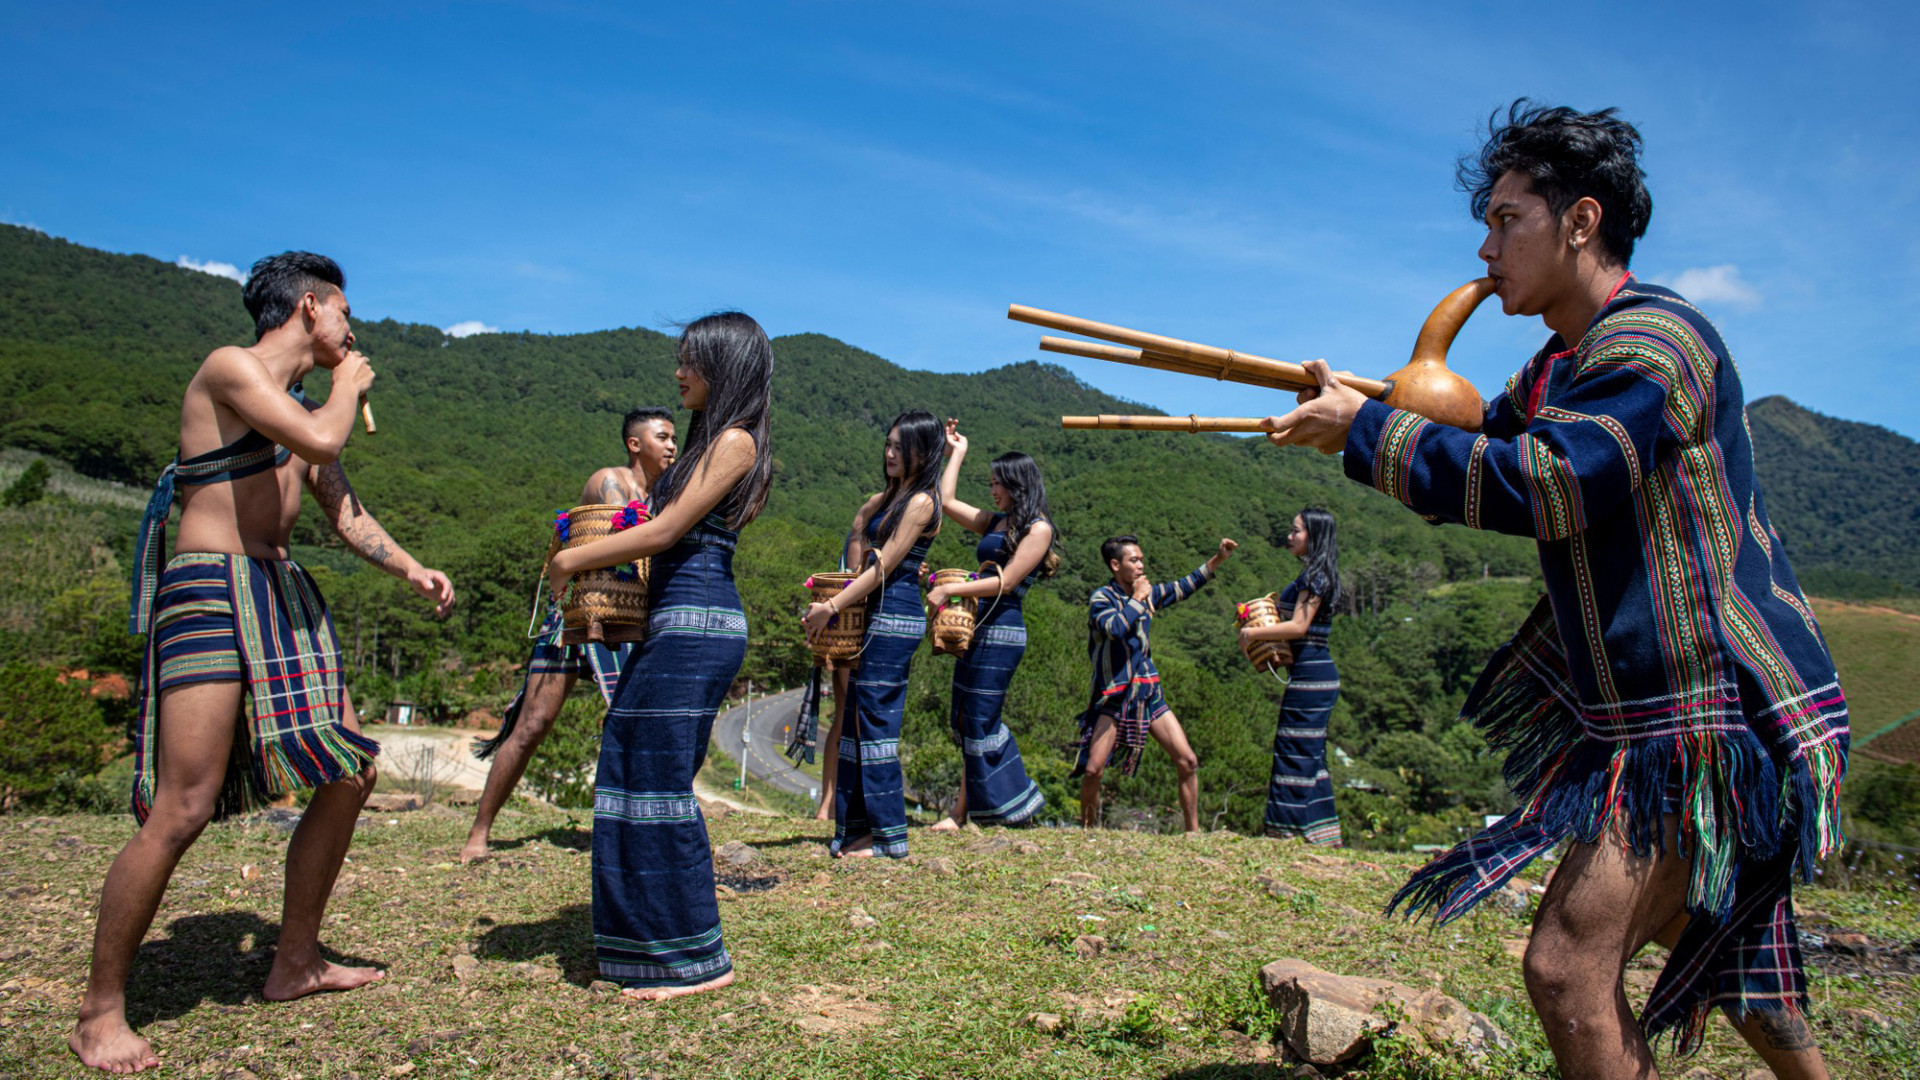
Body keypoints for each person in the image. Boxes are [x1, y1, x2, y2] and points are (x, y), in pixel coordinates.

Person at [1264, 101, 1848, 1078]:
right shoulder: (1561, 367)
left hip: (1703, 728)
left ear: (1580, 221)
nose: (1485, 247)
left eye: (1505, 219)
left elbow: (1549, 481)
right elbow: (1486, 445)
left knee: (1567, 966)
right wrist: (1366, 409)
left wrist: (1367, 434)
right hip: (1660, 718)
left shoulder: (1650, 347)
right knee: (1728, 953)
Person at [72, 252, 456, 1074]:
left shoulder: (300, 412)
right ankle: (99, 1011)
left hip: (280, 594)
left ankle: (295, 960)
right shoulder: (234, 372)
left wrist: (411, 568)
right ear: (311, 308)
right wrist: (350, 383)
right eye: (345, 313)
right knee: (184, 803)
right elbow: (323, 434)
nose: (354, 330)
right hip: (211, 590)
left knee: (350, 771)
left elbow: (342, 505)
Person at [545, 311, 772, 1001]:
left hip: (699, 622)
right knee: (631, 763)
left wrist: (571, 558)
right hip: (675, 619)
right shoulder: (703, 445)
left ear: (722, 367)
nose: (678, 372)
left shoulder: (734, 441)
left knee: (658, 777)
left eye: (690, 360)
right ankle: (648, 943)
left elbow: (668, 530)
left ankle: (692, 959)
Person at [459, 406, 677, 863]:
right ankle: (479, 832)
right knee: (532, 724)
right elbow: (630, 536)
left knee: (630, 724)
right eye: (663, 437)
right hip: (577, 612)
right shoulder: (611, 481)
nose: (672, 446)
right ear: (635, 444)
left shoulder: (665, 498)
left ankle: (626, 830)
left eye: (674, 437)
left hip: (627, 616)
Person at [801, 410, 944, 857]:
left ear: (925, 452)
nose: (890, 453)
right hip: (872, 614)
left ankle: (888, 839)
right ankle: (857, 831)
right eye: (888, 444)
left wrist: (832, 606)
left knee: (877, 723)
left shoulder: (922, 502)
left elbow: (885, 566)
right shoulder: (888, 499)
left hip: (894, 615)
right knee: (859, 724)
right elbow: (862, 552)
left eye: (901, 447)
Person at [925, 422, 1050, 829]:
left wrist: (953, 590)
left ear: (1018, 484)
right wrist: (956, 452)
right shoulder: (997, 522)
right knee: (965, 717)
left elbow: (1008, 581)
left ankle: (1008, 806)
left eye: (998, 483)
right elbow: (945, 501)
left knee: (981, 717)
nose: (993, 490)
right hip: (978, 628)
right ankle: (963, 813)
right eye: (992, 482)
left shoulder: (1038, 529)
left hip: (1004, 631)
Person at [1073, 533, 1235, 832]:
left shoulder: (1146, 593)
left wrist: (1218, 559)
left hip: (1147, 691)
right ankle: (1087, 829)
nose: (1140, 565)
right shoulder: (1101, 599)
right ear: (1115, 565)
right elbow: (1115, 628)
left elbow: (1184, 586)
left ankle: (1193, 833)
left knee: (1187, 760)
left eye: (1141, 559)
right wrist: (1137, 599)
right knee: (1094, 769)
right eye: (1134, 560)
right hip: (1114, 695)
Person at [1241, 508, 1342, 846]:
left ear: (1312, 536)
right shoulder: (1317, 575)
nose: (1290, 536)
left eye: (1296, 531)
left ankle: (1285, 831)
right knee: (1308, 752)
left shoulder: (1315, 578)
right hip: (1312, 673)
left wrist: (1251, 637)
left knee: (1294, 748)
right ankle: (1319, 832)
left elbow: (1299, 627)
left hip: (1312, 676)